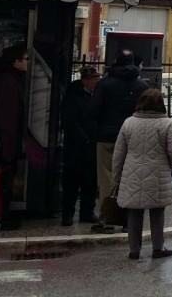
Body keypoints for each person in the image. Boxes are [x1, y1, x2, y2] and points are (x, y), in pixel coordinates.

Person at [112, 89, 172, 260]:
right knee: (157, 211)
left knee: (134, 212)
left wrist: (116, 177)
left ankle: (134, 250)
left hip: (132, 172)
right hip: (158, 172)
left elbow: (119, 153)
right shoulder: (166, 124)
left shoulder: (129, 123)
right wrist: (169, 164)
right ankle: (158, 247)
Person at [91, 51, 148, 232]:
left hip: (106, 136)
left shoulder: (105, 84)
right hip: (132, 137)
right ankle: (127, 220)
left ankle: (107, 218)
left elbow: (94, 110)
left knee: (106, 177)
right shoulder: (141, 86)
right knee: (129, 176)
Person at [61, 66, 101, 226]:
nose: (96, 82)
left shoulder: (96, 96)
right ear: (85, 80)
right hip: (75, 147)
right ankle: (67, 214)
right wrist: (83, 139)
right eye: (94, 79)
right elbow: (70, 121)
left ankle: (87, 212)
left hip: (92, 144)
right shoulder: (73, 96)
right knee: (71, 182)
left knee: (90, 182)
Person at [0, 43, 27, 231]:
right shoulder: (9, 83)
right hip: (4, 144)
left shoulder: (8, 80)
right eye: (26, 59)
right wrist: (9, 148)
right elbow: (8, 118)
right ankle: (3, 217)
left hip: (4, 141)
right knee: (4, 181)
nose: (28, 62)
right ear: (16, 61)